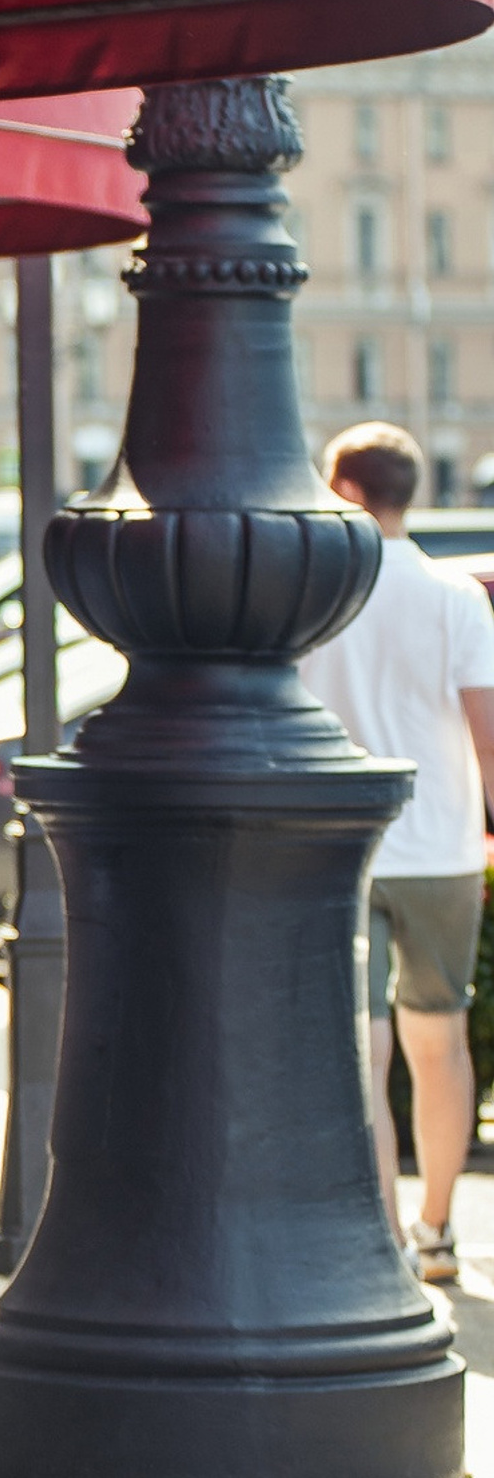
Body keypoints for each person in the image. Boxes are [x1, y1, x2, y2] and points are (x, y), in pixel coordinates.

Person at [299, 422, 494, 1283]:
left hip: (342, 851)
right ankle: (439, 1231)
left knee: (361, 1049)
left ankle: (380, 1240)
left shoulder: (316, 592)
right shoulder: (457, 597)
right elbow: (488, 734)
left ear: (344, 489)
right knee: (440, 1037)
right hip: (443, 845)